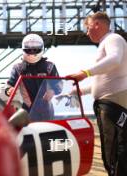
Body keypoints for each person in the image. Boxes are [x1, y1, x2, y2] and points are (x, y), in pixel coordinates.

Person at [67, 12, 127, 176]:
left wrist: (85, 72)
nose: (87, 33)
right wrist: (80, 91)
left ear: (97, 24)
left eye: (88, 28)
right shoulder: (107, 42)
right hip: (110, 101)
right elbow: (104, 78)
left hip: (112, 102)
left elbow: (115, 59)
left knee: (112, 148)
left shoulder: (112, 39)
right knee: (114, 148)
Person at [5, 33, 62, 121]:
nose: (32, 51)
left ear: (41, 48)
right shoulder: (18, 68)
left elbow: (58, 84)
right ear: (24, 48)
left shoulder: (49, 67)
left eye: (35, 48)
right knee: (26, 133)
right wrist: (9, 90)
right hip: (27, 109)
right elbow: (9, 85)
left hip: (46, 109)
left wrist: (52, 91)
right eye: (29, 48)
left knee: (47, 132)